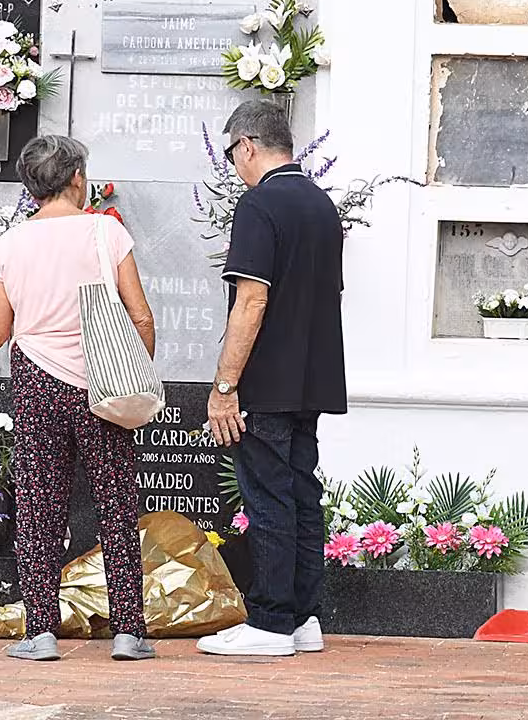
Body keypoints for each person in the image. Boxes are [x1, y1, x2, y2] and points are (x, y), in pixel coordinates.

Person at [0, 135, 158, 662]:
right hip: (103, 384)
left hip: (37, 382)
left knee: (40, 507)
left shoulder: (9, 245)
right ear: (77, 177)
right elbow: (140, 315)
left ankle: (40, 632)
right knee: (117, 506)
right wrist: (132, 369)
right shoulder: (107, 231)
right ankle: (129, 632)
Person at [196, 100, 347, 657]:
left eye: (233, 153)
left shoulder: (259, 204)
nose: (234, 164)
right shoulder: (321, 204)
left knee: (267, 500)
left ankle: (271, 621)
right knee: (303, 496)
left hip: (266, 382)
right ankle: (304, 617)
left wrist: (225, 386)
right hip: (312, 379)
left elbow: (251, 300)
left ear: (248, 145)